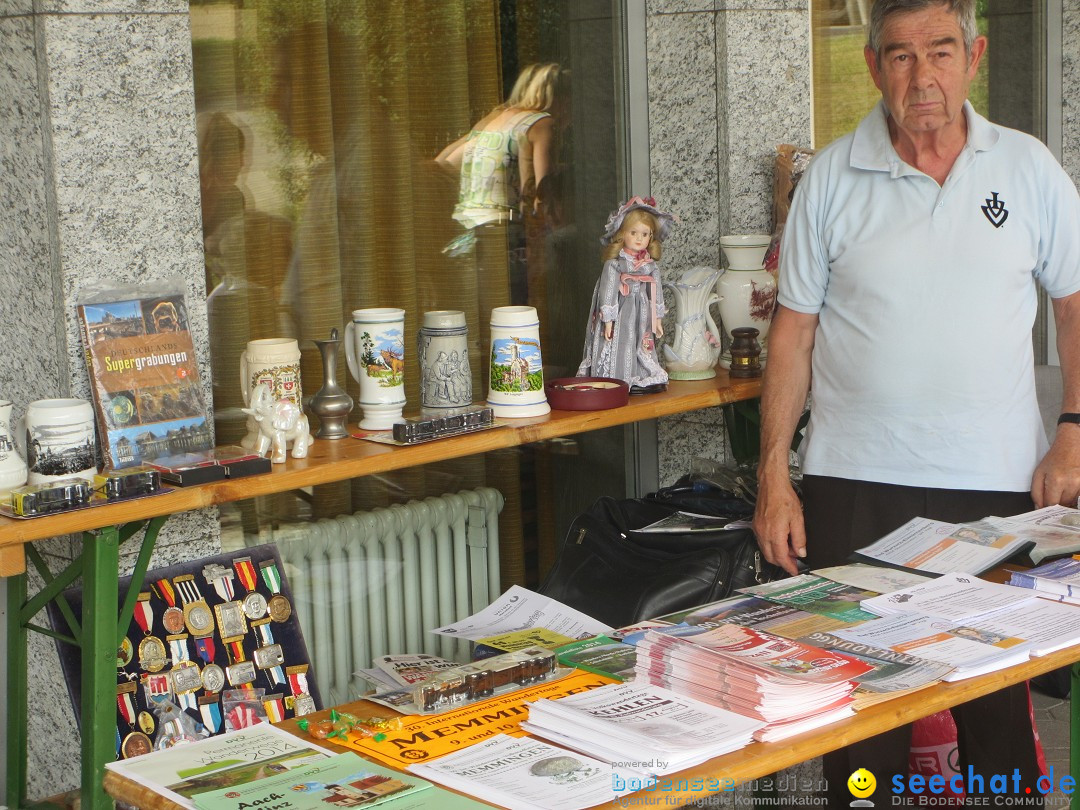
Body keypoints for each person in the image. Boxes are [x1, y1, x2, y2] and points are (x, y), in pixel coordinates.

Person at [752, 0, 1080, 804]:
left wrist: (1074, 430)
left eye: (939, 51)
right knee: (861, 716)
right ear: (872, 68)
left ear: (975, 55)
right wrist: (772, 476)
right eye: (899, 55)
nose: (921, 75)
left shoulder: (1029, 167)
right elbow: (791, 336)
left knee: (997, 703)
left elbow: (1074, 305)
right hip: (852, 483)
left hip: (998, 487)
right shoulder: (831, 174)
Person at [577, 197, 675, 393]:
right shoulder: (615, 264)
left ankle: (638, 374)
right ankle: (617, 375)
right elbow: (608, 290)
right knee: (620, 341)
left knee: (641, 341)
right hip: (621, 309)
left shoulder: (649, 265)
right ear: (622, 233)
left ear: (651, 236)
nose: (639, 239)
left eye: (645, 234)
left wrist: (657, 318)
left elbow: (655, 290)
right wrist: (609, 319)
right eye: (633, 233)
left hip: (641, 312)